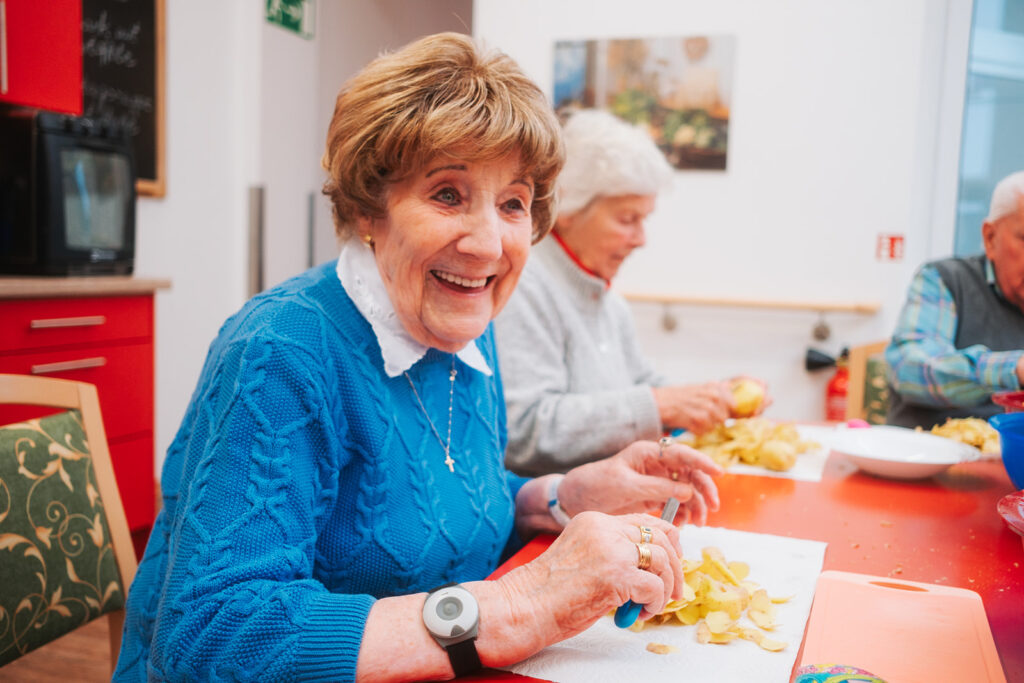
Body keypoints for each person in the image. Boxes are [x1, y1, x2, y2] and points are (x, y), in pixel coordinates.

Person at [114, 34, 723, 682]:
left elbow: (449, 498)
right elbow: (215, 633)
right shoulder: (280, 354)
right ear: (368, 207)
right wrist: (522, 602)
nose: (489, 244)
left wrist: (562, 494)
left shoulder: (465, 324)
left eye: (513, 202)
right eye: (448, 194)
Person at [493, 109, 769, 476]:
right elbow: (525, 430)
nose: (641, 239)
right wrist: (661, 406)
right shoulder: (522, 286)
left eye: (644, 219)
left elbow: (644, 387)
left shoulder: (608, 302)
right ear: (567, 208)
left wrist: (714, 396)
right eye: (627, 219)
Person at [886, 170, 1024, 429]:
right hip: (927, 460)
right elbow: (909, 368)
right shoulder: (943, 280)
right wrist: (1013, 368)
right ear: (990, 238)